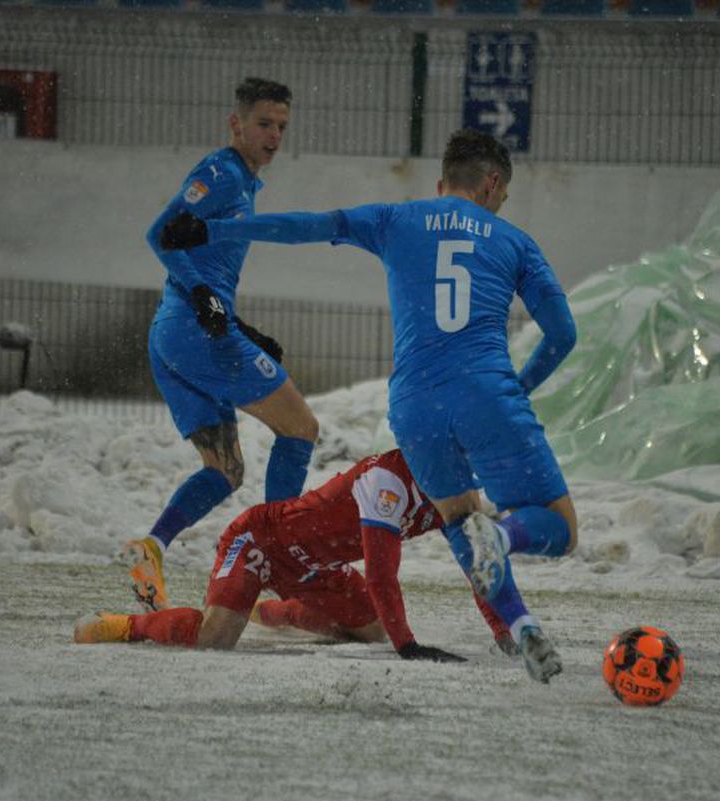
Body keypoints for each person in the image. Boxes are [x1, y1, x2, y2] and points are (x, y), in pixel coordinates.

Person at [159, 129, 578, 683]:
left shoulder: (396, 219)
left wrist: (215, 228)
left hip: (412, 403)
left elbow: (310, 225)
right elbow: (562, 335)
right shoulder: (514, 240)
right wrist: (518, 389)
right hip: (483, 389)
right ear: (493, 183)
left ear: (440, 183)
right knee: (558, 528)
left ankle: (520, 624)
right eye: (502, 195)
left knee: (458, 517)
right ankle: (502, 536)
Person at [124, 77, 320, 612]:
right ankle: (283, 564)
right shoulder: (222, 173)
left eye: (281, 126)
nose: (274, 135)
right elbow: (160, 233)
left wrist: (231, 319)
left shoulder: (245, 183)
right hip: (192, 329)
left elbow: (195, 255)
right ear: (235, 124)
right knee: (301, 428)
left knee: (225, 471)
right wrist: (208, 300)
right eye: (263, 124)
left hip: (175, 334)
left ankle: (152, 547)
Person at [77, 450, 515, 662]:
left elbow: (478, 567)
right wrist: (411, 648)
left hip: (316, 567)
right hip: (260, 542)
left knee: (371, 632)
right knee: (215, 640)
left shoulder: (456, 492)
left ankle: (270, 612)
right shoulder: (390, 481)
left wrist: (505, 631)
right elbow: (382, 574)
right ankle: (122, 625)